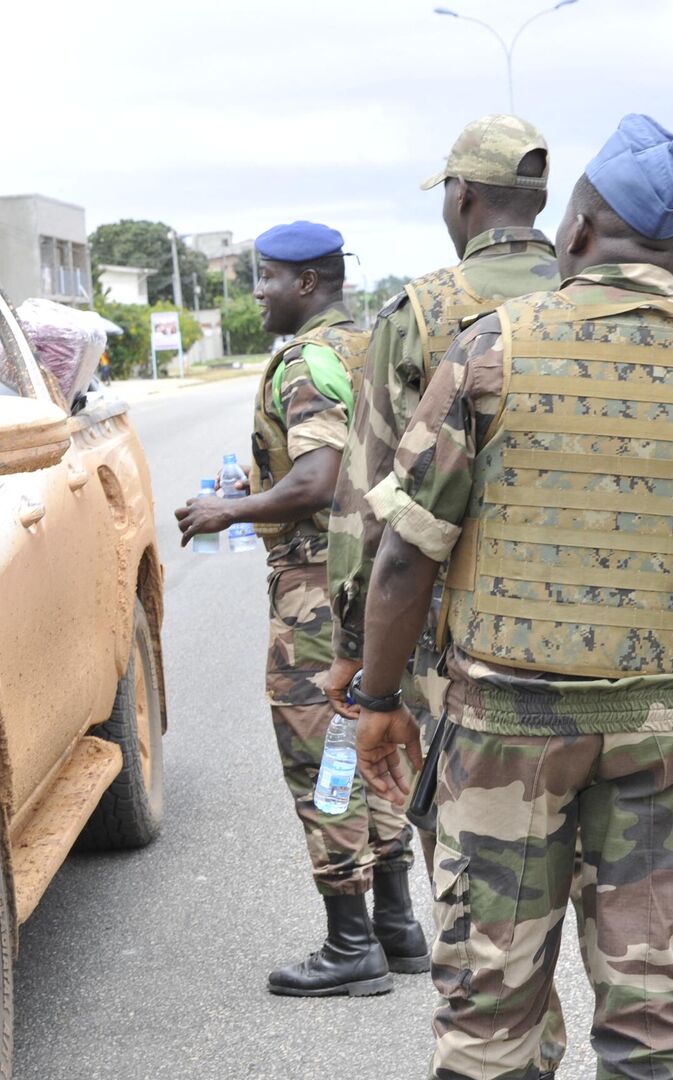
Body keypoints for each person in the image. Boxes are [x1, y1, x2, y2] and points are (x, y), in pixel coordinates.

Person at [351, 114, 673, 1080]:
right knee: (656, 1028)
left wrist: (375, 704)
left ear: (574, 232)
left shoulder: (490, 352)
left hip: (503, 735)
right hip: (670, 735)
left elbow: (405, 559)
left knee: (489, 1026)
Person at [321, 116, 563, 1024]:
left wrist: (355, 654)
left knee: (481, 911)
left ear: (462, 197)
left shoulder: (421, 314)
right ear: (540, 201)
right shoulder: (594, 292)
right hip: (606, 648)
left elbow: (368, 505)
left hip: (455, 660)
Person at [174, 220, 421, 999]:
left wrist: (231, 510)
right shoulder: (368, 345)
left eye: (268, 278)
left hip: (318, 589)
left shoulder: (306, 363)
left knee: (325, 757)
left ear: (307, 283)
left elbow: (316, 480)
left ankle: (351, 946)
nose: (258, 293)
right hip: (378, 580)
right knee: (368, 740)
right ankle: (398, 927)